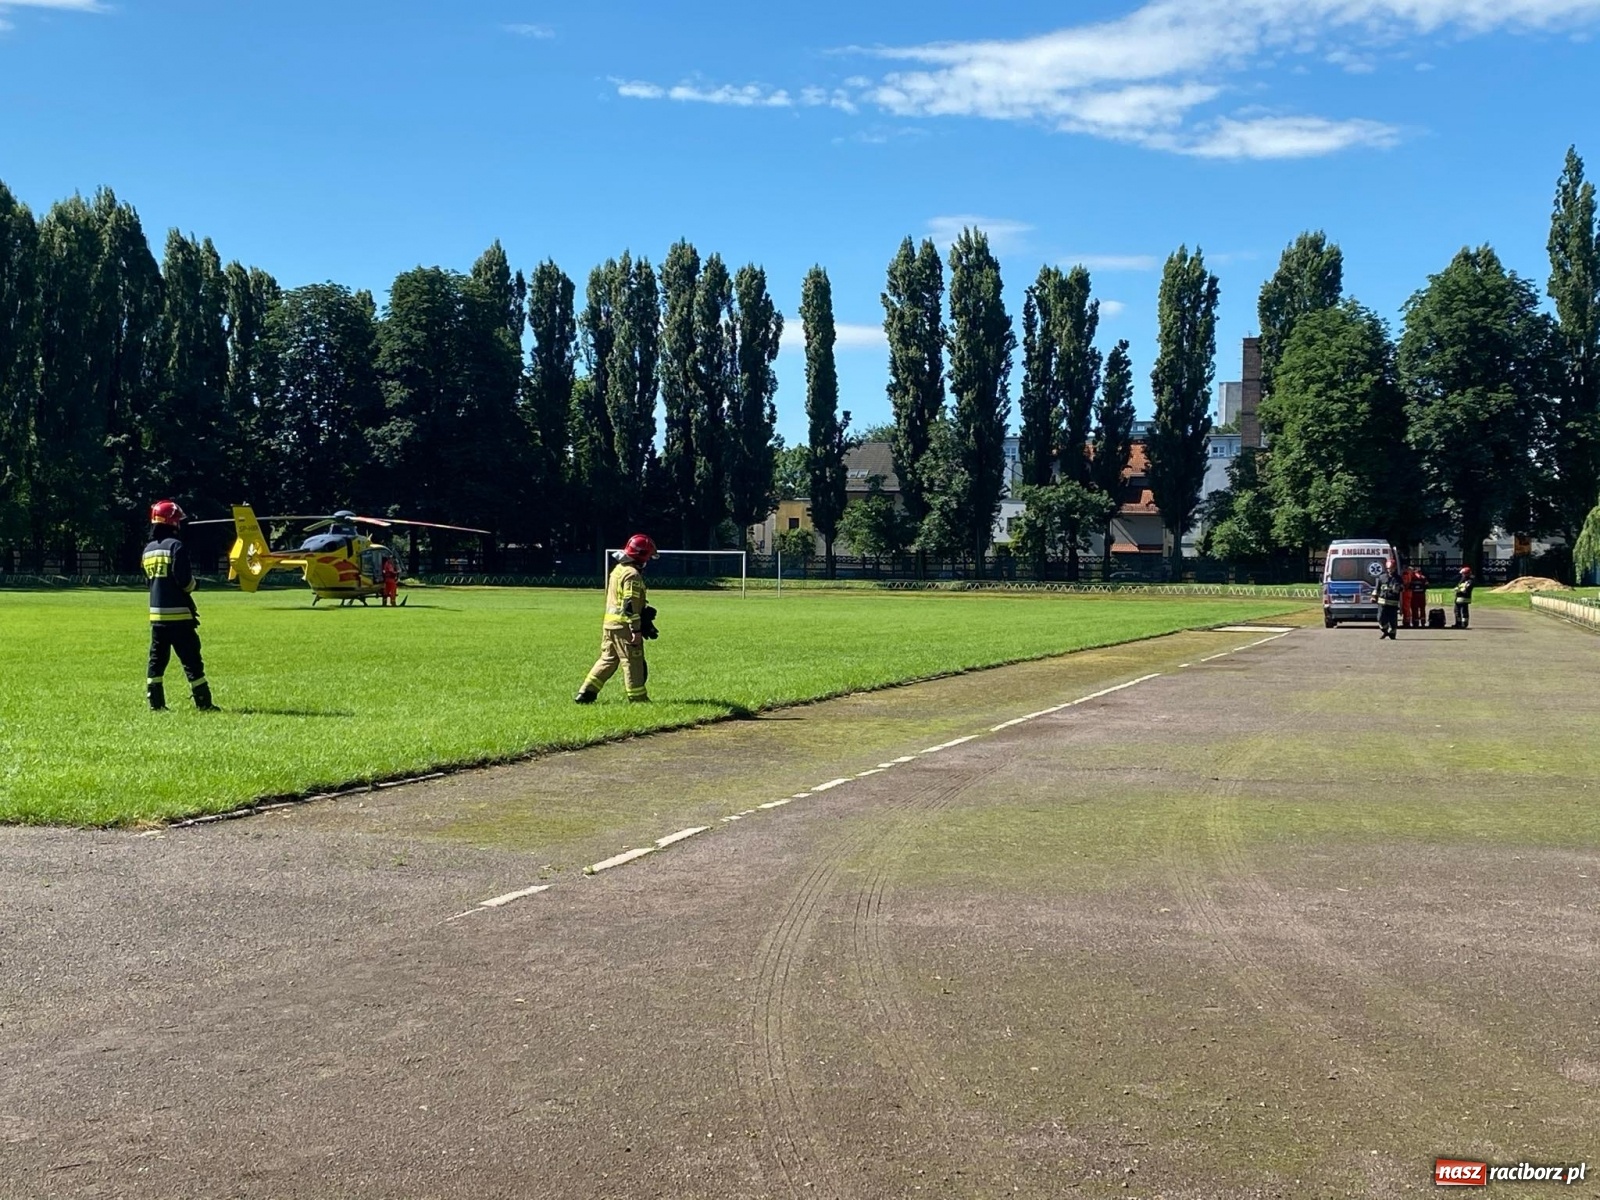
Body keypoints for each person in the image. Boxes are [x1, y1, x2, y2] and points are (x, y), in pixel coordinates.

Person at [143, 499, 217, 711]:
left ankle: (156, 704)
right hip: (179, 617)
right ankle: (204, 703)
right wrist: (196, 585)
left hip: (156, 617)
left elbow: (149, 581)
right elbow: (184, 580)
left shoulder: (148, 550)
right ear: (173, 522)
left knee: (156, 660)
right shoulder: (176, 546)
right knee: (192, 660)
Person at [574, 533, 657, 704]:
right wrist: (636, 629)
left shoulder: (618, 570)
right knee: (632, 661)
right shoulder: (632, 575)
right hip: (624, 627)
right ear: (641, 556)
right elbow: (629, 604)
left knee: (608, 659)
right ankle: (638, 699)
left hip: (609, 624)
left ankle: (586, 692)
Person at [1373, 556, 1402, 640]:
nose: (1390, 570)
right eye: (1389, 568)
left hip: (1393, 603)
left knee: (1393, 620)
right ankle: (1385, 631)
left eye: (1392, 568)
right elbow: (1377, 588)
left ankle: (1392, 633)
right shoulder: (1382, 577)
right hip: (1382, 602)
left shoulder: (1398, 578)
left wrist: (1398, 588)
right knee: (1380, 618)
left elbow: (1402, 588)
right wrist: (1374, 597)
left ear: (1395, 568)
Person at [1403, 563, 1429, 628]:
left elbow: (1408, 585)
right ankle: (1423, 623)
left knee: (1414, 609)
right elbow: (1427, 585)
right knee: (1422, 609)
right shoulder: (1423, 577)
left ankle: (1415, 623)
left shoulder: (1412, 577)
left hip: (1414, 595)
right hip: (1421, 595)